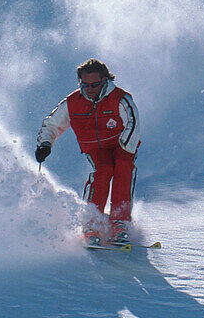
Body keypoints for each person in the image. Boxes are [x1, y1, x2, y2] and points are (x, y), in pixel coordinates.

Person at [35, 59, 141, 246]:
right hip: (95, 147)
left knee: (123, 168)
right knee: (104, 170)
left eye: (94, 84)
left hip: (122, 144)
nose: (90, 89)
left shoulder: (120, 98)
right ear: (80, 82)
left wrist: (125, 146)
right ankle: (91, 222)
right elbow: (52, 123)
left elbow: (133, 121)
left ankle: (120, 221)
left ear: (104, 80)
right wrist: (45, 144)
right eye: (85, 84)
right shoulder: (73, 102)